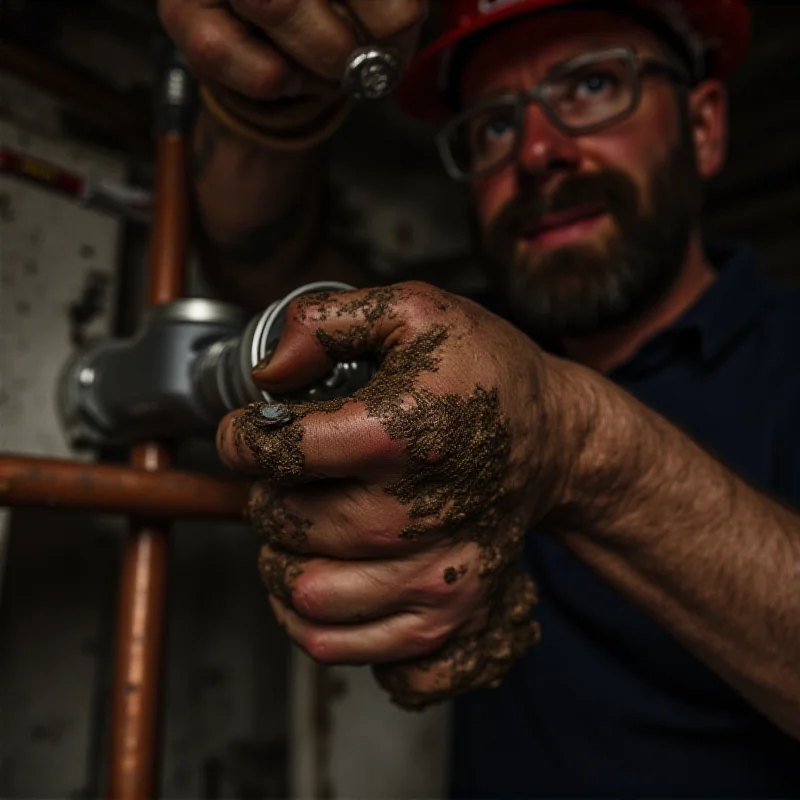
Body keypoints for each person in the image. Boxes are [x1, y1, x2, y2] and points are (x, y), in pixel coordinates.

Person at [160, 0, 800, 795]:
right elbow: (268, 273)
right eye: (494, 126)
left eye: (595, 85)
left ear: (704, 128)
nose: (535, 151)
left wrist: (577, 445)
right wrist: (271, 86)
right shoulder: (456, 354)